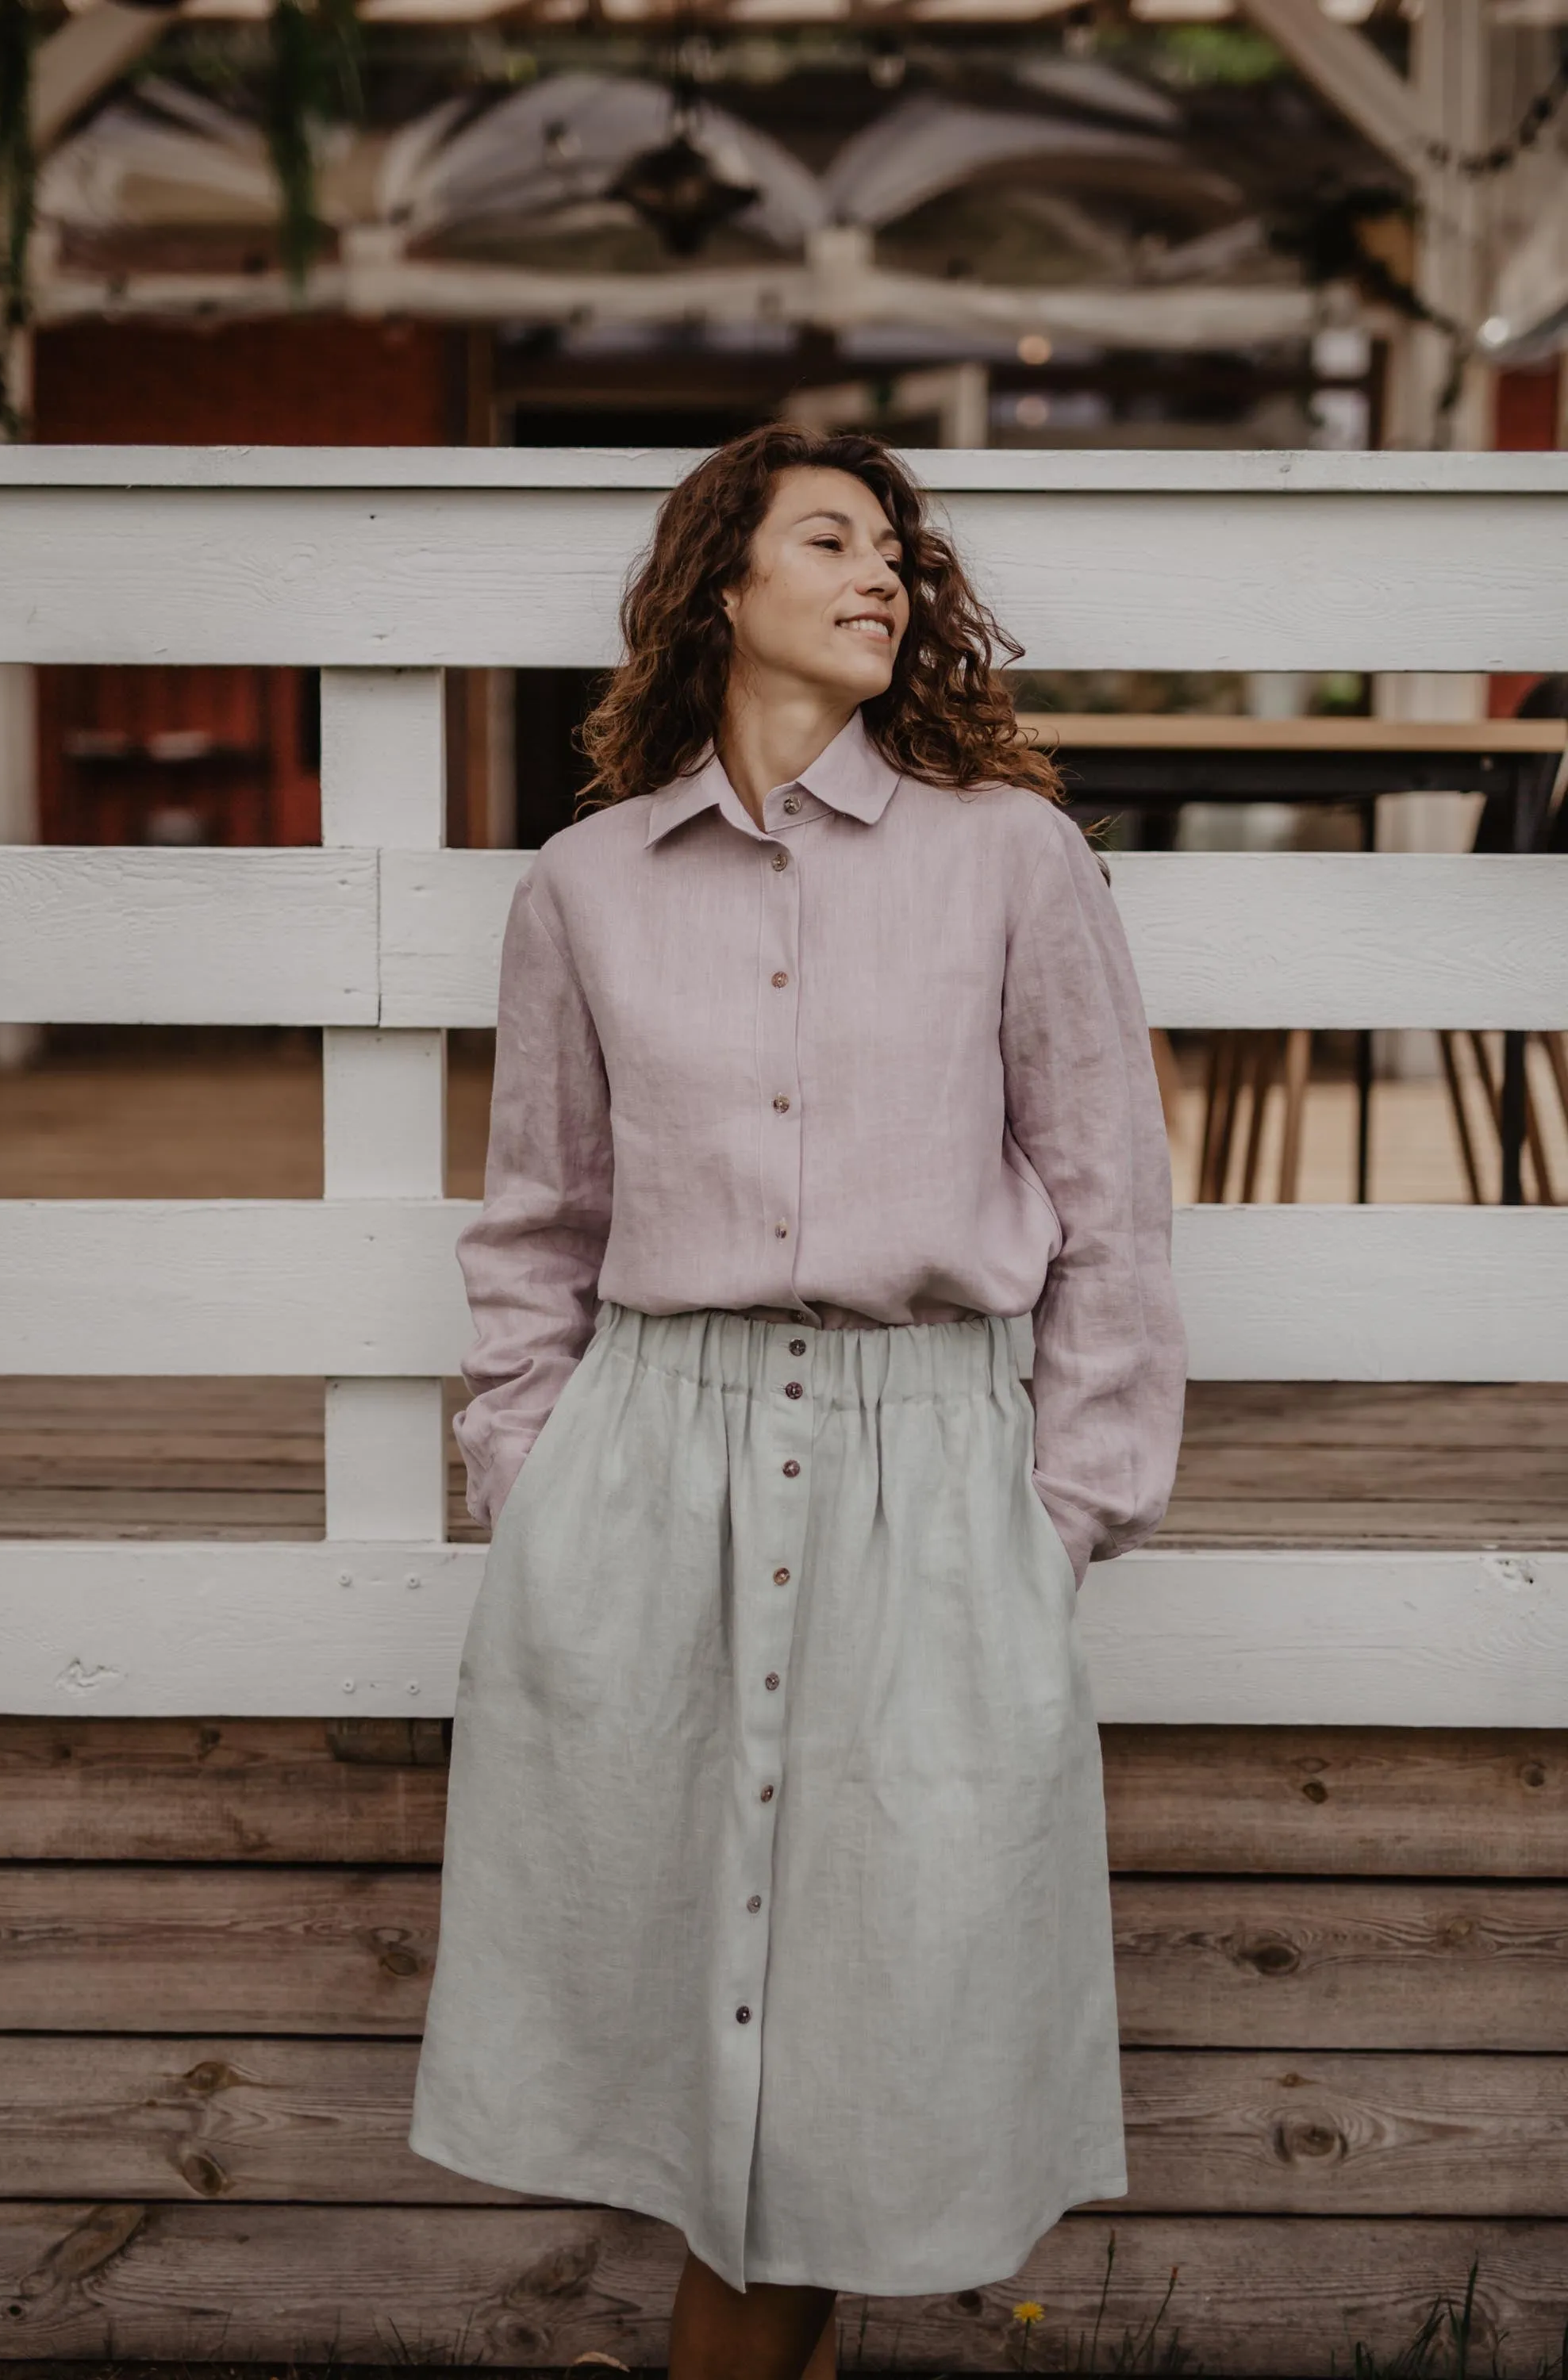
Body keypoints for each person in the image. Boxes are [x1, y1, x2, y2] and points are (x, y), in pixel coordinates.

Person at [407, 424, 1188, 2380]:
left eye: (900, 555)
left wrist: (1063, 1504)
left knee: (881, 2006)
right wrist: (532, 1467)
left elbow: (1109, 1199)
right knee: (682, 2015)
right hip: (648, 1475)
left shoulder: (1009, 852)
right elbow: (540, 1218)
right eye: (829, 538)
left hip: (930, 1464)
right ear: (721, 586)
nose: (882, 576)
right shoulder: (582, 886)